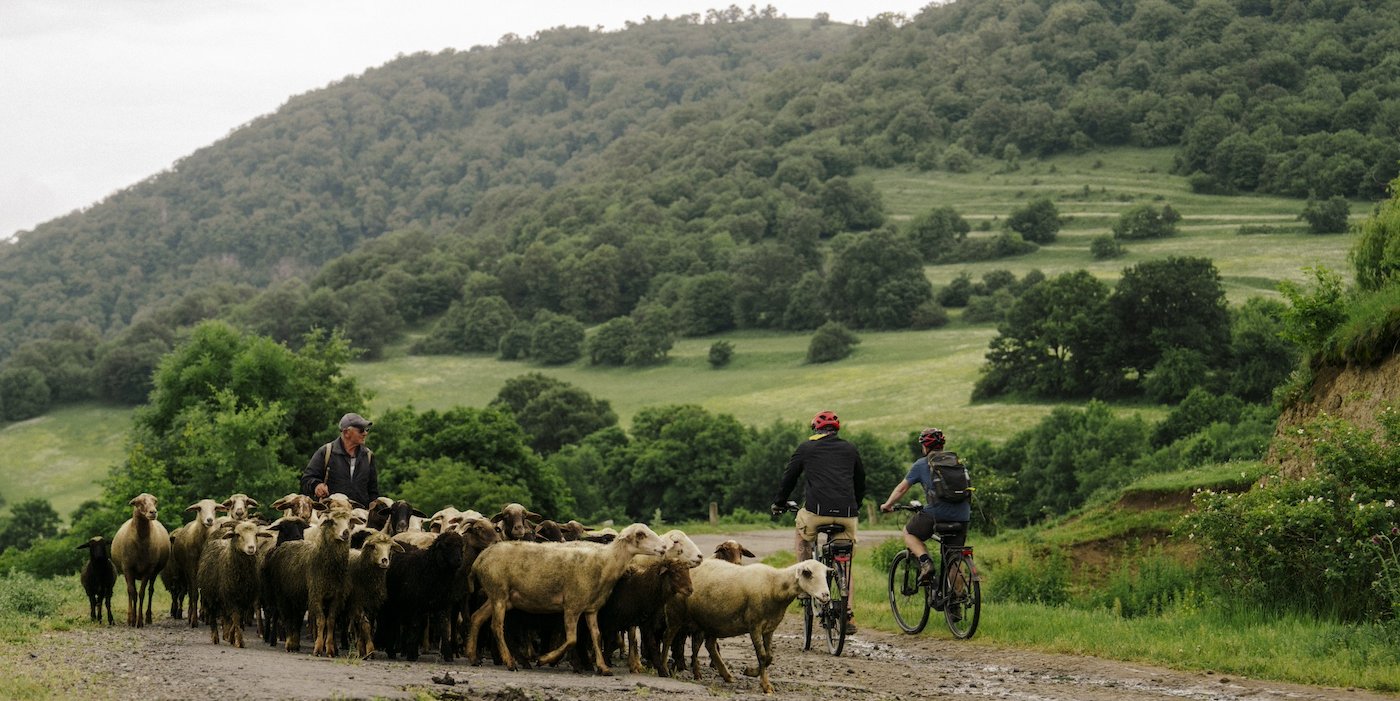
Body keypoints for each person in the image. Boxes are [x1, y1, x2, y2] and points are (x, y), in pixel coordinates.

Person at [772, 410, 866, 630]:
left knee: (802, 534)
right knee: (845, 562)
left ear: (816, 429)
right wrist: (855, 506)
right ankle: (848, 613)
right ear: (836, 430)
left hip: (816, 512)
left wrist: (779, 502)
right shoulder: (850, 448)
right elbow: (860, 481)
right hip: (847, 514)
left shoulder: (806, 448)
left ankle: (804, 586)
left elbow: (790, 477)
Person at [879, 427, 971, 591]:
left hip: (937, 514)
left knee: (909, 533)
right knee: (955, 559)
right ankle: (956, 603)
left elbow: (902, 489)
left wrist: (887, 505)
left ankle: (925, 563)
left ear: (925, 446)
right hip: (962, 516)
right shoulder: (957, 463)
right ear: (942, 445)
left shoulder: (922, 464)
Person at [301, 412, 379, 507]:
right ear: (346, 433)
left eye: (366, 430)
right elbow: (307, 479)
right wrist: (316, 486)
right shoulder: (326, 452)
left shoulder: (368, 456)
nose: (365, 433)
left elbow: (373, 491)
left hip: (360, 515)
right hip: (330, 514)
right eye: (361, 430)